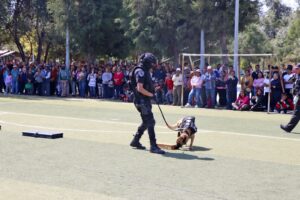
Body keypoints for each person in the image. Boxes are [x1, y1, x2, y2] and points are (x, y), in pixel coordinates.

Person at [129, 53, 165, 154]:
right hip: (141, 101)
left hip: (144, 100)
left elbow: (144, 86)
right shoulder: (140, 71)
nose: (153, 65)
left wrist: (153, 89)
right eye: (152, 63)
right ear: (147, 62)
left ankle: (135, 140)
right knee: (150, 121)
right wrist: (151, 95)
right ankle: (153, 146)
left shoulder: (144, 70)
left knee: (147, 121)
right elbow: (140, 88)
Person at [281, 63, 300, 133]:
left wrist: (298, 95)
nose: (296, 70)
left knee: (297, 114)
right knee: (297, 113)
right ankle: (288, 127)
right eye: (296, 69)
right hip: (297, 96)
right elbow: (289, 80)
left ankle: (288, 128)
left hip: (299, 97)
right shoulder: (296, 75)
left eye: (297, 69)